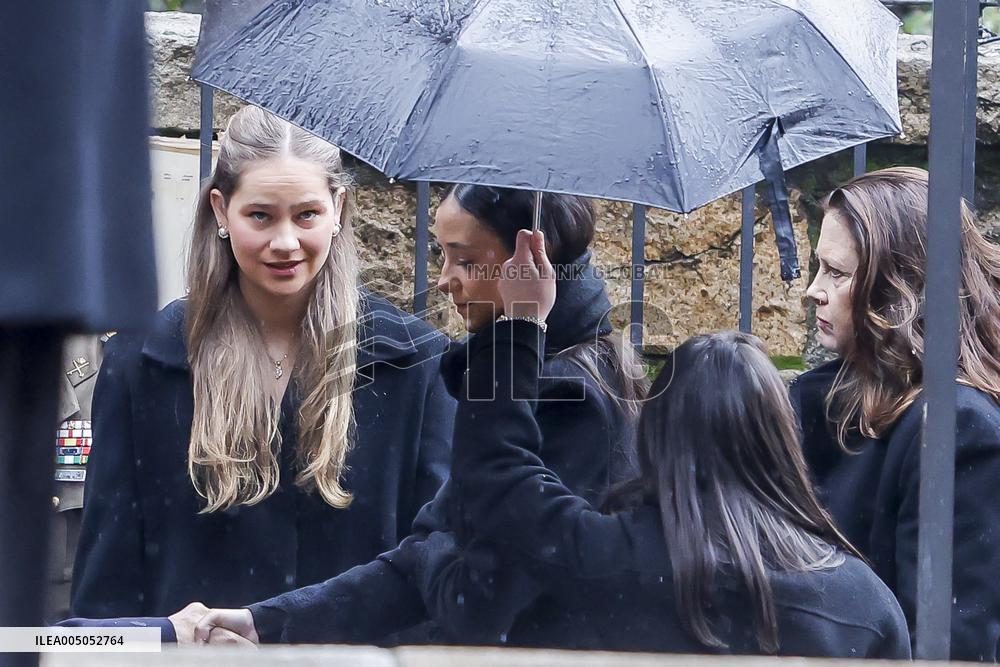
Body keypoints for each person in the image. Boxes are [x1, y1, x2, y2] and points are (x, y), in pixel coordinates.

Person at [189, 186, 647, 645]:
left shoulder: (570, 396)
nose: (445, 279)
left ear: (529, 266)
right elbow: (424, 557)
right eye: (444, 256)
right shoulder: (529, 377)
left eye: (466, 261)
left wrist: (439, 550)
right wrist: (266, 622)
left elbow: (478, 595)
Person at [424, 229, 911, 657]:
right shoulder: (861, 604)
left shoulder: (597, 558)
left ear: (653, 439)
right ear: (781, 439)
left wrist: (520, 322)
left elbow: (499, 478)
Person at [69, 106, 455, 624]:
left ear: (338, 207)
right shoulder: (140, 361)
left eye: (306, 215)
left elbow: (433, 569)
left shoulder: (418, 363)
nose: (285, 243)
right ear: (221, 210)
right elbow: (106, 588)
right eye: (261, 215)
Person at [790, 167, 1000, 661]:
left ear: (896, 284)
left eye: (837, 273)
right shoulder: (818, 397)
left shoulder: (960, 428)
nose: (813, 290)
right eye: (819, 267)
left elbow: (951, 643)